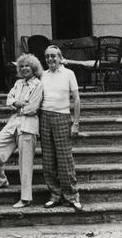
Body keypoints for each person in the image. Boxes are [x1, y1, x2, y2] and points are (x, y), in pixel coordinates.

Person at [0, 53, 43, 208]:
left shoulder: (38, 84)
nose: (25, 68)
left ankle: (25, 198)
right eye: (22, 66)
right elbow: (9, 99)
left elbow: (33, 108)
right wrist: (19, 103)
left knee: (25, 163)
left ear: (34, 68)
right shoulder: (18, 83)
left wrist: (17, 105)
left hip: (29, 124)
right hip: (14, 121)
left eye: (28, 66)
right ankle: (0, 181)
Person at [40, 44, 82, 212]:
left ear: (60, 57)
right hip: (45, 117)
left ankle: (72, 195)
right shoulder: (42, 75)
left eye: (53, 56)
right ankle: (55, 195)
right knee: (48, 160)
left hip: (62, 117)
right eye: (47, 56)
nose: (50, 59)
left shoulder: (69, 74)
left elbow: (76, 99)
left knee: (65, 159)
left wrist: (76, 122)